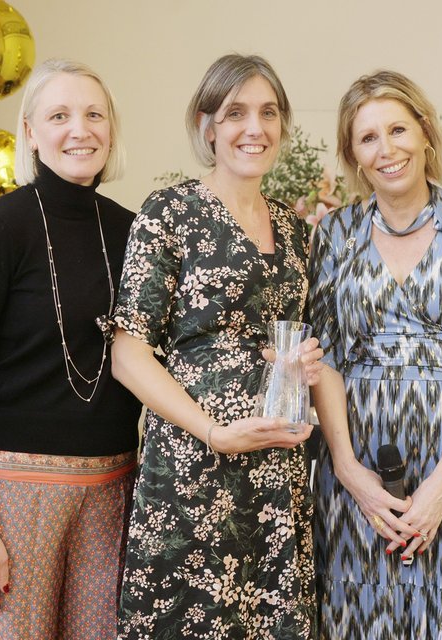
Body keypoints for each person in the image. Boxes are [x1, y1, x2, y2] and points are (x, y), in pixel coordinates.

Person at [308, 70, 442, 639]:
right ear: (353, 156)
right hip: (359, 463)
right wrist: (347, 469)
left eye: (398, 129)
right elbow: (324, 358)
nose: (387, 149)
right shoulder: (334, 236)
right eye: (368, 138)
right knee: (363, 613)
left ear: (426, 132)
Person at [0, 58, 142, 638]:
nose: (80, 130)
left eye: (94, 114)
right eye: (59, 115)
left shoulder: (134, 232)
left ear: (111, 128)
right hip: (10, 502)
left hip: (111, 496)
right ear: (30, 132)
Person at [108, 54, 320, 639]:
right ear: (207, 126)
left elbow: (297, 340)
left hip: (276, 467)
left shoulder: (294, 228)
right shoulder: (169, 213)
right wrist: (212, 431)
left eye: (268, 113)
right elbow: (127, 353)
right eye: (236, 113)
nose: (255, 128)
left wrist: (302, 364)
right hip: (192, 466)